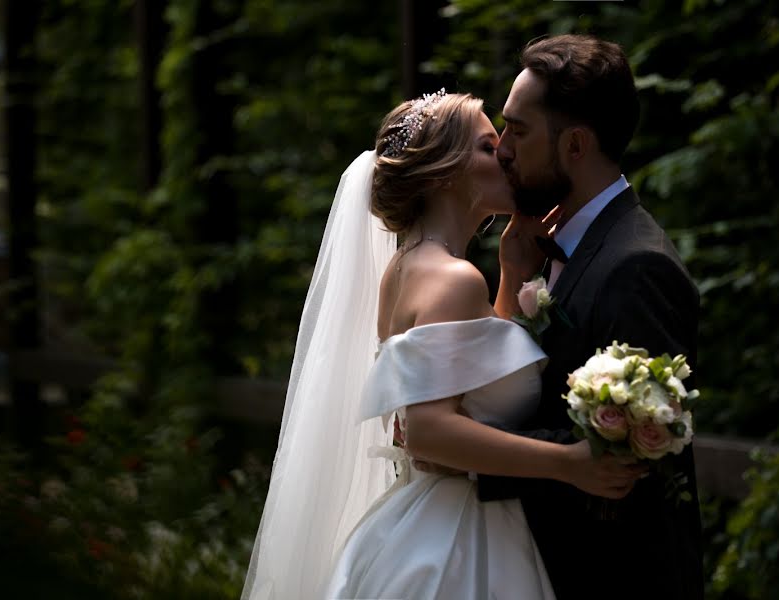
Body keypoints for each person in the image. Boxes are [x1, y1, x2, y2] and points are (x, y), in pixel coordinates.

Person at [240, 89, 647, 600]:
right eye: (486, 146)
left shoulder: (407, 267)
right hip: (458, 544)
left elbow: (468, 382)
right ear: (442, 173)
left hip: (422, 523)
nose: (505, 156)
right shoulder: (452, 279)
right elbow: (430, 433)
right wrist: (568, 463)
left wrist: (511, 276)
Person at [471, 34, 706, 599]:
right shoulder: (549, 246)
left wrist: (461, 445)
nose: (502, 148)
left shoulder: (637, 266)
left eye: (518, 131)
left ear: (574, 145)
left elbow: (636, 450)